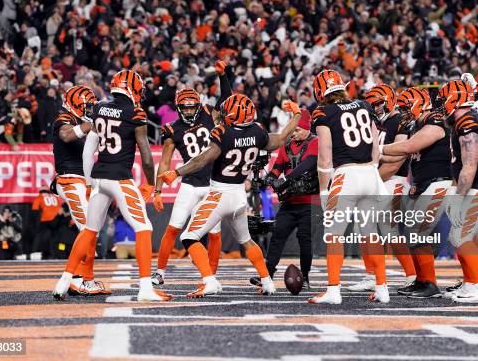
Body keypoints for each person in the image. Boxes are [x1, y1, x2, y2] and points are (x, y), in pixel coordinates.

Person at [159, 93, 302, 298]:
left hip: (219, 194)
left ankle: (209, 281)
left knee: (188, 237)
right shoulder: (258, 131)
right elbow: (280, 138)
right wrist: (296, 114)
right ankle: (268, 282)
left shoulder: (223, 132)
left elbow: (202, 159)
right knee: (246, 241)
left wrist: (176, 172)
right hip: (238, 196)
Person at [53, 70, 173, 302]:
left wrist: (89, 182)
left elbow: (89, 150)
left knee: (89, 230)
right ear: (133, 89)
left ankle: (63, 282)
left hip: (99, 177)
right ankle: (146, 288)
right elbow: (147, 157)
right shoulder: (135, 113)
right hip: (119, 177)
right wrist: (150, 184)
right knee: (144, 228)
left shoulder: (98, 109)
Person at [308, 70, 388, 305]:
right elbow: (375, 145)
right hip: (370, 174)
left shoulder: (323, 112)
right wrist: (371, 167)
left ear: (320, 91)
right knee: (370, 232)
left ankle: (333, 290)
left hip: (347, 175)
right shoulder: (363, 105)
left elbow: (325, 156)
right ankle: (382, 287)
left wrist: (324, 190)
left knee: (334, 234)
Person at [151, 60, 231, 286]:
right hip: (190, 184)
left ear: (198, 106)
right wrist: (157, 190)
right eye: (184, 107)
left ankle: (211, 276)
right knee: (173, 227)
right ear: (178, 108)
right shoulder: (173, 129)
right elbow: (165, 161)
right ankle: (160, 272)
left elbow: (225, 102)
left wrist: (223, 76)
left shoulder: (208, 113)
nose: (188, 111)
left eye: (191, 107)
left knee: (214, 233)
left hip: (212, 183)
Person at [380, 87, 452, 299]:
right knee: (413, 231)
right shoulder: (418, 124)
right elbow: (402, 153)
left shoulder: (436, 120)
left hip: (439, 182)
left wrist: (377, 150)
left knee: (417, 229)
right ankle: (422, 280)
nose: (403, 113)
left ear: (418, 104)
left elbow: (409, 147)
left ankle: (429, 283)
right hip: (424, 183)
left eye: (405, 108)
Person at [441, 80, 478, 304]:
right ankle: (470, 283)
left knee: (461, 235)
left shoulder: (467, 120)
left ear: (453, 100)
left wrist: (458, 196)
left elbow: (470, 164)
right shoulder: (467, 120)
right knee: (459, 235)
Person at [352, 84, 416, 292]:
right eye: (372, 104)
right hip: (377, 179)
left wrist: (370, 180)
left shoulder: (400, 121)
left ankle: (412, 275)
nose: (375, 108)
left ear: (389, 100)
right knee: (364, 228)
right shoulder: (375, 123)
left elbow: (397, 161)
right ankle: (372, 275)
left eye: (378, 103)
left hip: (393, 180)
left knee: (389, 230)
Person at [249, 108, 319, 289]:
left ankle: (305, 276)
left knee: (305, 238)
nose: (294, 132)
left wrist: (284, 179)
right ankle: (267, 274)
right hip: (290, 201)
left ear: (306, 128)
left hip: (310, 201)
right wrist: (268, 179)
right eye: (293, 129)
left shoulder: (316, 142)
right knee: (278, 234)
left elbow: (307, 165)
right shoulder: (285, 146)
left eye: (298, 129)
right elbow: (276, 168)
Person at [51, 84, 108, 295]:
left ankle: (83, 279)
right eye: (87, 106)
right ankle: (79, 279)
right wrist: (89, 124)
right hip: (70, 180)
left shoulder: (83, 122)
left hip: (83, 180)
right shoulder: (63, 120)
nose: (90, 110)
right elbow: (66, 136)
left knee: (91, 231)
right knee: (88, 230)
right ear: (75, 105)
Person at [30, 188, 61, 260]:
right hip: (57, 219)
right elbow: (60, 208)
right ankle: (55, 254)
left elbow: (35, 209)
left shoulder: (40, 196)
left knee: (42, 238)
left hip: (46, 219)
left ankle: (41, 253)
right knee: (55, 238)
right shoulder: (54, 196)